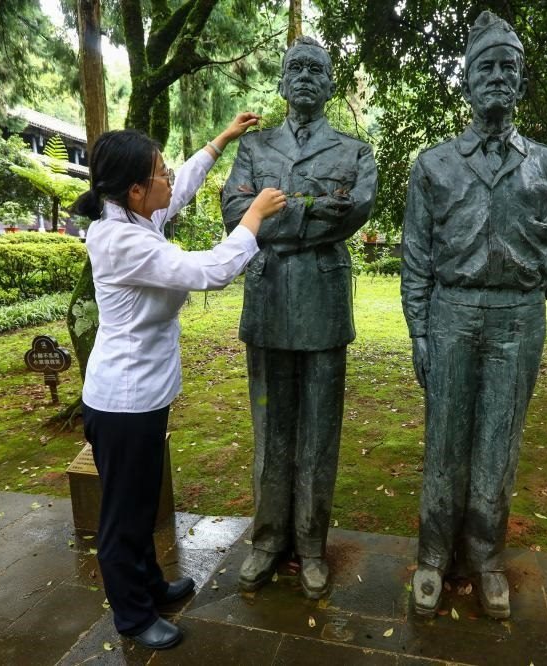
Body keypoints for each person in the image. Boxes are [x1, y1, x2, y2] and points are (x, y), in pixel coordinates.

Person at [73, 114, 286, 650]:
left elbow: (183, 186)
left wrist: (222, 139)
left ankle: (150, 585)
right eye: (160, 174)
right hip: (122, 403)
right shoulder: (122, 241)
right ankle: (133, 617)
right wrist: (253, 216)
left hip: (142, 398)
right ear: (135, 190)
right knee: (124, 516)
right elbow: (211, 270)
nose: (170, 180)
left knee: (143, 501)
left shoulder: (136, 215)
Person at [401, 11, 547, 620]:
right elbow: (416, 258)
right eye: (486, 67)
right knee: (444, 440)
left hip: (518, 318)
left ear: (521, 80)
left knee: (499, 444)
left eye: (509, 67)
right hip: (450, 315)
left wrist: (525, 293)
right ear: (467, 81)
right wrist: (420, 332)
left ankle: (486, 559)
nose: (498, 76)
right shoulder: (434, 166)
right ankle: (432, 557)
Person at [220, 36, 378, 600]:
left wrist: (278, 211)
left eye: (317, 69)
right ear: (283, 82)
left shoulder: (354, 153)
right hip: (268, 302)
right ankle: (267, 541)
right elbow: (235, 212)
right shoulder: (255, 147)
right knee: (270, 431)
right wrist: (314, 210)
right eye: (297, 68)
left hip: (324, 305)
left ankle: (311, 546)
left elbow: (353, 211)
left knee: (319, 434)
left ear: (331, 84)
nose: (306, 76)